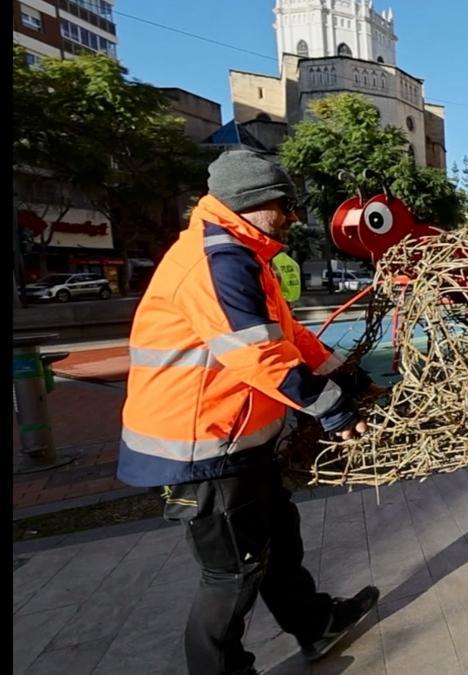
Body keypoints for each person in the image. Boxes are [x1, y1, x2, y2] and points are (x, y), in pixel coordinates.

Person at [117, 150, 380, 674]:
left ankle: (315, 625)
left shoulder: (244, 254)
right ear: (251, 203)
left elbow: (287, 336)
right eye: (285, 204)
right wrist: (334, 411)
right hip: (200, 447)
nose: (292, 215)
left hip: (237, 438)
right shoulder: (217, 261)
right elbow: (257, 355)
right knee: (233, 573)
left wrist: (343, 374)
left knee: (279, 541)